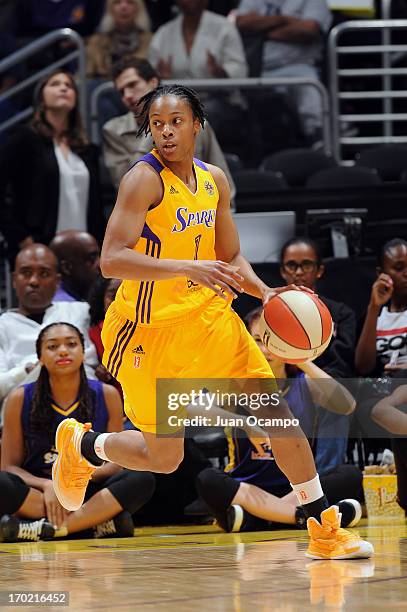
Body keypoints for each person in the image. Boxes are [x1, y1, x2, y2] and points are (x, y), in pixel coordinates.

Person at [53, 84, 373, 560]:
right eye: (156, 124)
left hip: (211, 320)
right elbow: (110, 260)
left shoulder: (214, 181)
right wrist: (189, 267)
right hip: (150, 331)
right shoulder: (142, 180)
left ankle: (323, 528)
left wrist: (267, 294)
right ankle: (84, 444)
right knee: (165, 458)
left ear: (196, 124)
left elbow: (230, 257)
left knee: (276, 417)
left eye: (175, 121)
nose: (165, 132)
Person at [195, 307, 363, 533]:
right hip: (249, 489)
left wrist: (300, 357)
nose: (265, 349)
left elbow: (347, 405)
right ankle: (306, 518)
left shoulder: (304, 382)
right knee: (208, 480)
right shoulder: (235, 383)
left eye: (272, 340)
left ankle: (265, 519)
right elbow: (191, 406)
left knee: (349, 475)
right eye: (257, 340)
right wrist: (243, 422)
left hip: (297, 489)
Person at [0, 322, 154, 542]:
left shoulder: (107, 394)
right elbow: (9, 466)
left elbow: (115, 463)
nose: (63, 351)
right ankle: (94, 524)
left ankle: (48, 529)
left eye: (71, 344)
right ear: (40, 358)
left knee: (141, 478)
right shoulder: (19, 398)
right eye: (52, 346)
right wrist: (50, 484)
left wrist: (72, 478)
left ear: (83, 352)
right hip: (41, 494)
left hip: (88, 488)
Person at [0, 70, 105, 256]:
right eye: (55, 84)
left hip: (84, 252)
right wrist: (21, 239)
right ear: (41, 97)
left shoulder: (87, 149)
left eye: (69, 86)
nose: (63, 88)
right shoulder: (24, 139)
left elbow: (97, 205)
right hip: (39, 249)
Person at [102, 57, 236, 195]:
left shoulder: (194, 124)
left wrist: (227, 210)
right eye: (121, 92)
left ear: (153, 83)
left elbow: (223, 180)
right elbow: (124, 186)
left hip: (196, 210)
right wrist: (153, 132)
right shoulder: (113, 130)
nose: (127, 95)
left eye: (132, 85)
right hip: (148, 212)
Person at [280, 237, 356, 473]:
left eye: (307, 265)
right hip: (278, 387)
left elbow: (341, 366)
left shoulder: (340, 314)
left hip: (318, 384)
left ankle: (325, 482)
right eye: (292, 265)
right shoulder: (266, 314)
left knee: (333, 395)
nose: (299, 272)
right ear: (283, 271)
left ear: (319, 270)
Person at [0, 244, 98, 405]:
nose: (34, 281)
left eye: (44, 274)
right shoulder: (3, 326)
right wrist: (27, 369)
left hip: (84, 405)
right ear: (14, 280)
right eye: (26, 273)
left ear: (58, 281)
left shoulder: (82, 312)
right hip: (23, 411)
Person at [235, 0, 332, 144]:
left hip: (296, 68)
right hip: (255, 69)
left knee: (310, 89)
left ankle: (320, 141)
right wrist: (283, 19)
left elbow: (308, 30)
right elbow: (241, 23)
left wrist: (261, 29)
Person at [148, 0, 248, 134]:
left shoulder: (224, 27)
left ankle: (194, 154)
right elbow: (149, 76)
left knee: (199, 115)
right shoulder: (164, 33)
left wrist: (221, 72)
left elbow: (240, 70)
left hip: (218, 99)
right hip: (175, 101)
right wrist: (161, 77)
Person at [355, 238, 407, 377]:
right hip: (383, 388)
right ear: (381, 273)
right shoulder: (374, 315)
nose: (406, 273)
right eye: (399, 268)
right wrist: (374, 307)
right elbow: (363, 367)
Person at [86, 0, 152, 79]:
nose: (123, 7)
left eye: (130, 2)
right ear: (110, 10)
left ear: (138, 9)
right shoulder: (96, 42)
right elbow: (85, 78)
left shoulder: (151, 41)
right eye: (117, 2)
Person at [49, 230, 101, 303]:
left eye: (99, 256)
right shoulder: (64, 307)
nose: (100, 265)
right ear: (66, 267)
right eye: (92, 258)